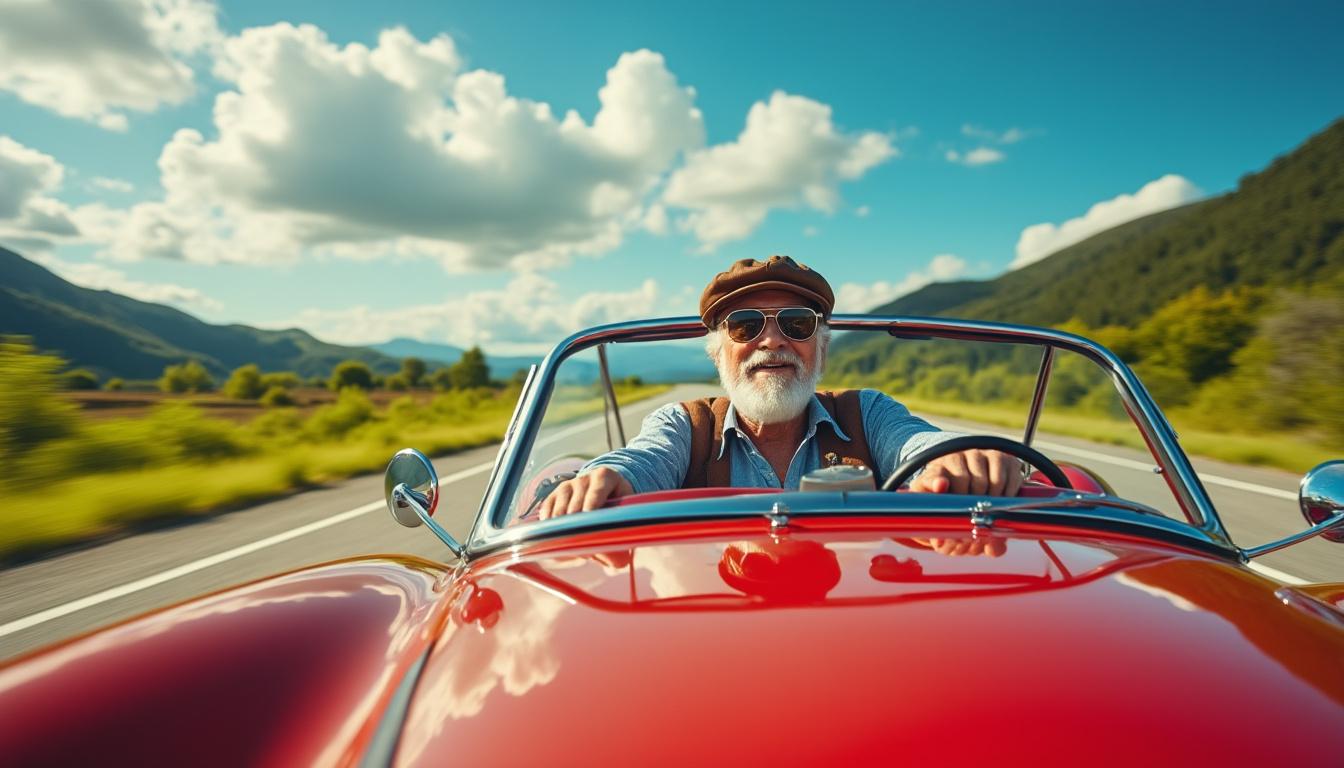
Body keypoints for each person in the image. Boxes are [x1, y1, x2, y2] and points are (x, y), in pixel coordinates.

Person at [537, 256, 1023, 518]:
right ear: (719, 354)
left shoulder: (868, 414)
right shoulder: (685, 426)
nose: (772, 340)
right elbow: (643, 461)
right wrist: (604, 478)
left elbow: (918, 444)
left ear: (822, 351)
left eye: (797, 323)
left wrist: (956, 457)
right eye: (745, 326)